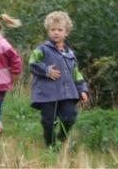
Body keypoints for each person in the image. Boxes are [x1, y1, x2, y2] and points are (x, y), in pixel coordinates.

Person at [28, 11, 89, 147]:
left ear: (66, 32)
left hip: (67, 93)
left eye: (60, 30)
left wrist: (82, 89)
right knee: (48, 121)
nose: (56, 32)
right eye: (52, 30)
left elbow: (76, 73)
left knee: (70, 117)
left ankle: (62, 136)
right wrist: (47, 70)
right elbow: (32, 63)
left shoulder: (70, 54)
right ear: (48, 31)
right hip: (47, 94)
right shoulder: (42, 49)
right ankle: (50, 145)